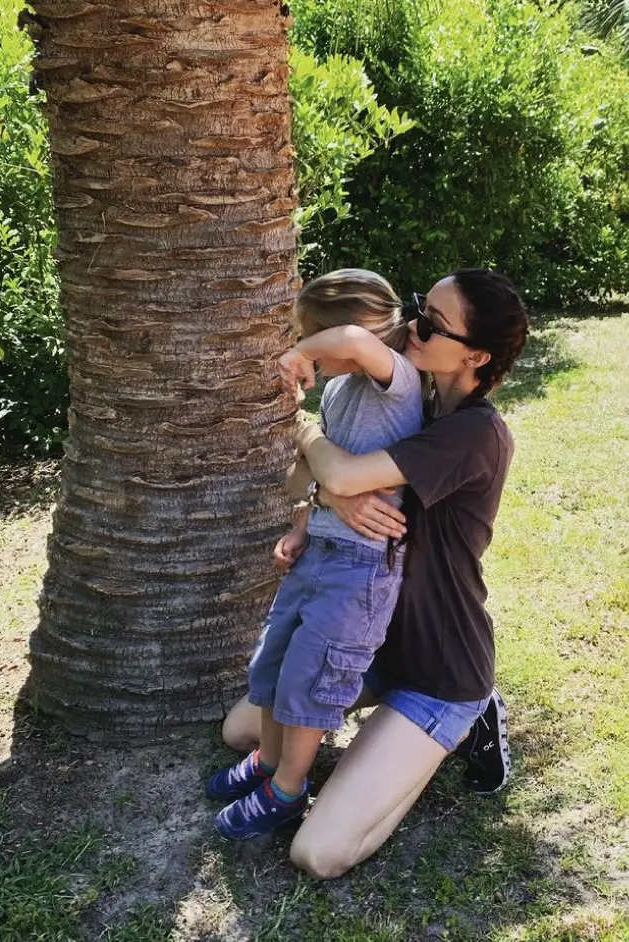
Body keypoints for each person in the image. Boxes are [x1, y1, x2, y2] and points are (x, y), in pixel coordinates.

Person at [217, 268, 528, 877]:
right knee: (241, 730)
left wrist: (308, 438)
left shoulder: (475, 434)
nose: (413, 325)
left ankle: (463, 723)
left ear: (476, 356)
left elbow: (339, 473)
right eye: (417, 307)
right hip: (370, 637)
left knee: (318, 852)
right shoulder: (405, 395)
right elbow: (318, 482)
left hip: (438, 667)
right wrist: (326, 495)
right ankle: (380, 733)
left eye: (434, 324)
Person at [206, 269, 424, 840]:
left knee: (312, 676)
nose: (308, 349)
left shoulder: (395, 381)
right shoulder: (337, 391)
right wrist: (303, 522)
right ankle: (269, 760)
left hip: (360, 569)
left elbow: (352, 341)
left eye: (309, 335)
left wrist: (299, 353)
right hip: (318, 553)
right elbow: (300, 475)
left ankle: (286, 790)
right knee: (274, 662)